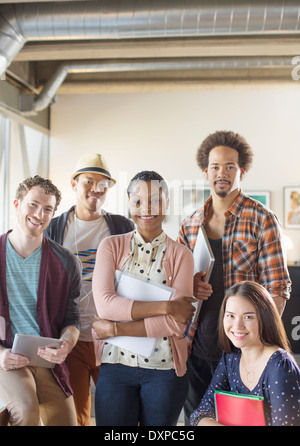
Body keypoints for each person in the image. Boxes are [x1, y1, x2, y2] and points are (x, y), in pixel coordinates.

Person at [178, 130, 291, 424]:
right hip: (196, 348)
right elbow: (175, 286)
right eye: (215, 166)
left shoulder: (261, 218)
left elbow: (277, 288)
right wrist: (188, 286)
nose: (222, 173)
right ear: (206, 172)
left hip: (240, 351)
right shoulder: (190, 225)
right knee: (197, 421)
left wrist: (255, 344)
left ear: (242, 171)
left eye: (230, 166)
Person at [92, 171, 196, 426]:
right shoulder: (110, 246)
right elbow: (105, 304)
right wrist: (166, 306)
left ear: (167, 203)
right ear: (129, 204)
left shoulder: (181, 254)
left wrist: (116, 327)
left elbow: (175, 323)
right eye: (138, 201)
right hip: (115, 368)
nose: (146, 209)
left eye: (155, 201)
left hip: (165, 372)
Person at [45, 153, 134, 426]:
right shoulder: (54, 228)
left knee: (120, 417)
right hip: (71, 338)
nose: (96, 188)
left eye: (103, 183)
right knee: (78, 417)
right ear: (74, 184)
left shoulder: (122, 227)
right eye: (88, 181)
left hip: (111, 336)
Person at [0, 176, 81, 426]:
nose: (39, 214)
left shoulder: (66, 262)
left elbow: (72, 320)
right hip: (6, 358)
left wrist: (66, 344)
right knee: (25, 411)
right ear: (16, 204)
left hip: (47, 362)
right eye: (33, 205)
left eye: (48, 209)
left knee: (67, 423)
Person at [190, 281, 300, 426]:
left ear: (265, 319)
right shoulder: (231, 357)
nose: (237, 326)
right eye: (230, 316)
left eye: (248, 317)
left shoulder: (280, 366)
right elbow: (199, 415)